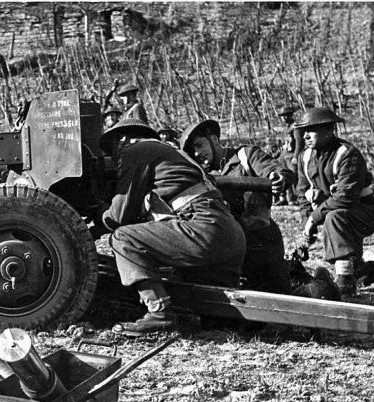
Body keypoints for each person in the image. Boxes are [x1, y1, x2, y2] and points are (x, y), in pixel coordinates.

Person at [96, 118, 246, 336]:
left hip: (203, 230)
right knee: (214, 314)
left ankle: (159, 314)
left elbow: (119, 216)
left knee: (123, 238)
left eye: (113, 151)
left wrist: (99, 211)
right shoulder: (174, 155)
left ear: (122, 139)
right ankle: (221, 322)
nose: (115, 158)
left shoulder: (135, 150)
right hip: (228, 233)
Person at [180, 119, 296, 295]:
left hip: (261, 241)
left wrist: (277, 177)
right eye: (192, 150)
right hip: (228, 246)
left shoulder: (245, 156)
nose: (197, 153)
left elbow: (275, 170)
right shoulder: (202, 174)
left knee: (279, 296)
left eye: (199, 145)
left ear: (214, 140)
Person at [294, 107, 374, 296]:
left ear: (329, 130)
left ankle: (345, 282)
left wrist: (314, 218)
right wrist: (306, 224)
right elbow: (302, 193)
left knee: (334, 218)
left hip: (365, 212)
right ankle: (364, 269)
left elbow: (345, 197)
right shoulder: (305, 156)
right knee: (355, 263)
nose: (305, 136)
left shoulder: (347, 154)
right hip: (337, 213)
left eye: (311, 130)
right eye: (304, 131)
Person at [276, 105, 303, 205]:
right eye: (283, 116)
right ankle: (286, 199)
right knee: (284, 176)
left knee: (294, 177)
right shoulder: (285, 129)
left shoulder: (295, 127)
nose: (284, 118)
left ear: (291, 115)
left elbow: (299, 143)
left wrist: (296, 156)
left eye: (286, 115)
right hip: (284, 156)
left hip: (292, 156)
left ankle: (297, 198)